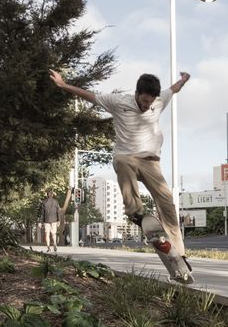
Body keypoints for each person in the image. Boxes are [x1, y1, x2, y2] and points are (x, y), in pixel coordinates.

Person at [49, 69, 191, 264]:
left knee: (167, 203)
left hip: (151, 162)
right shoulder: (118, 101)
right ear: (137, 93)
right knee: (124, 161)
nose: (146, 105)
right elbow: (90, 96)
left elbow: (173, 89)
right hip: (126, 157)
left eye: (150, 102)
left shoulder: (159, 101)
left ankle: (179, 254)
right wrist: (64, 85)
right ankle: (135, 212)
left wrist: (183, 79)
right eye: (144, 101)